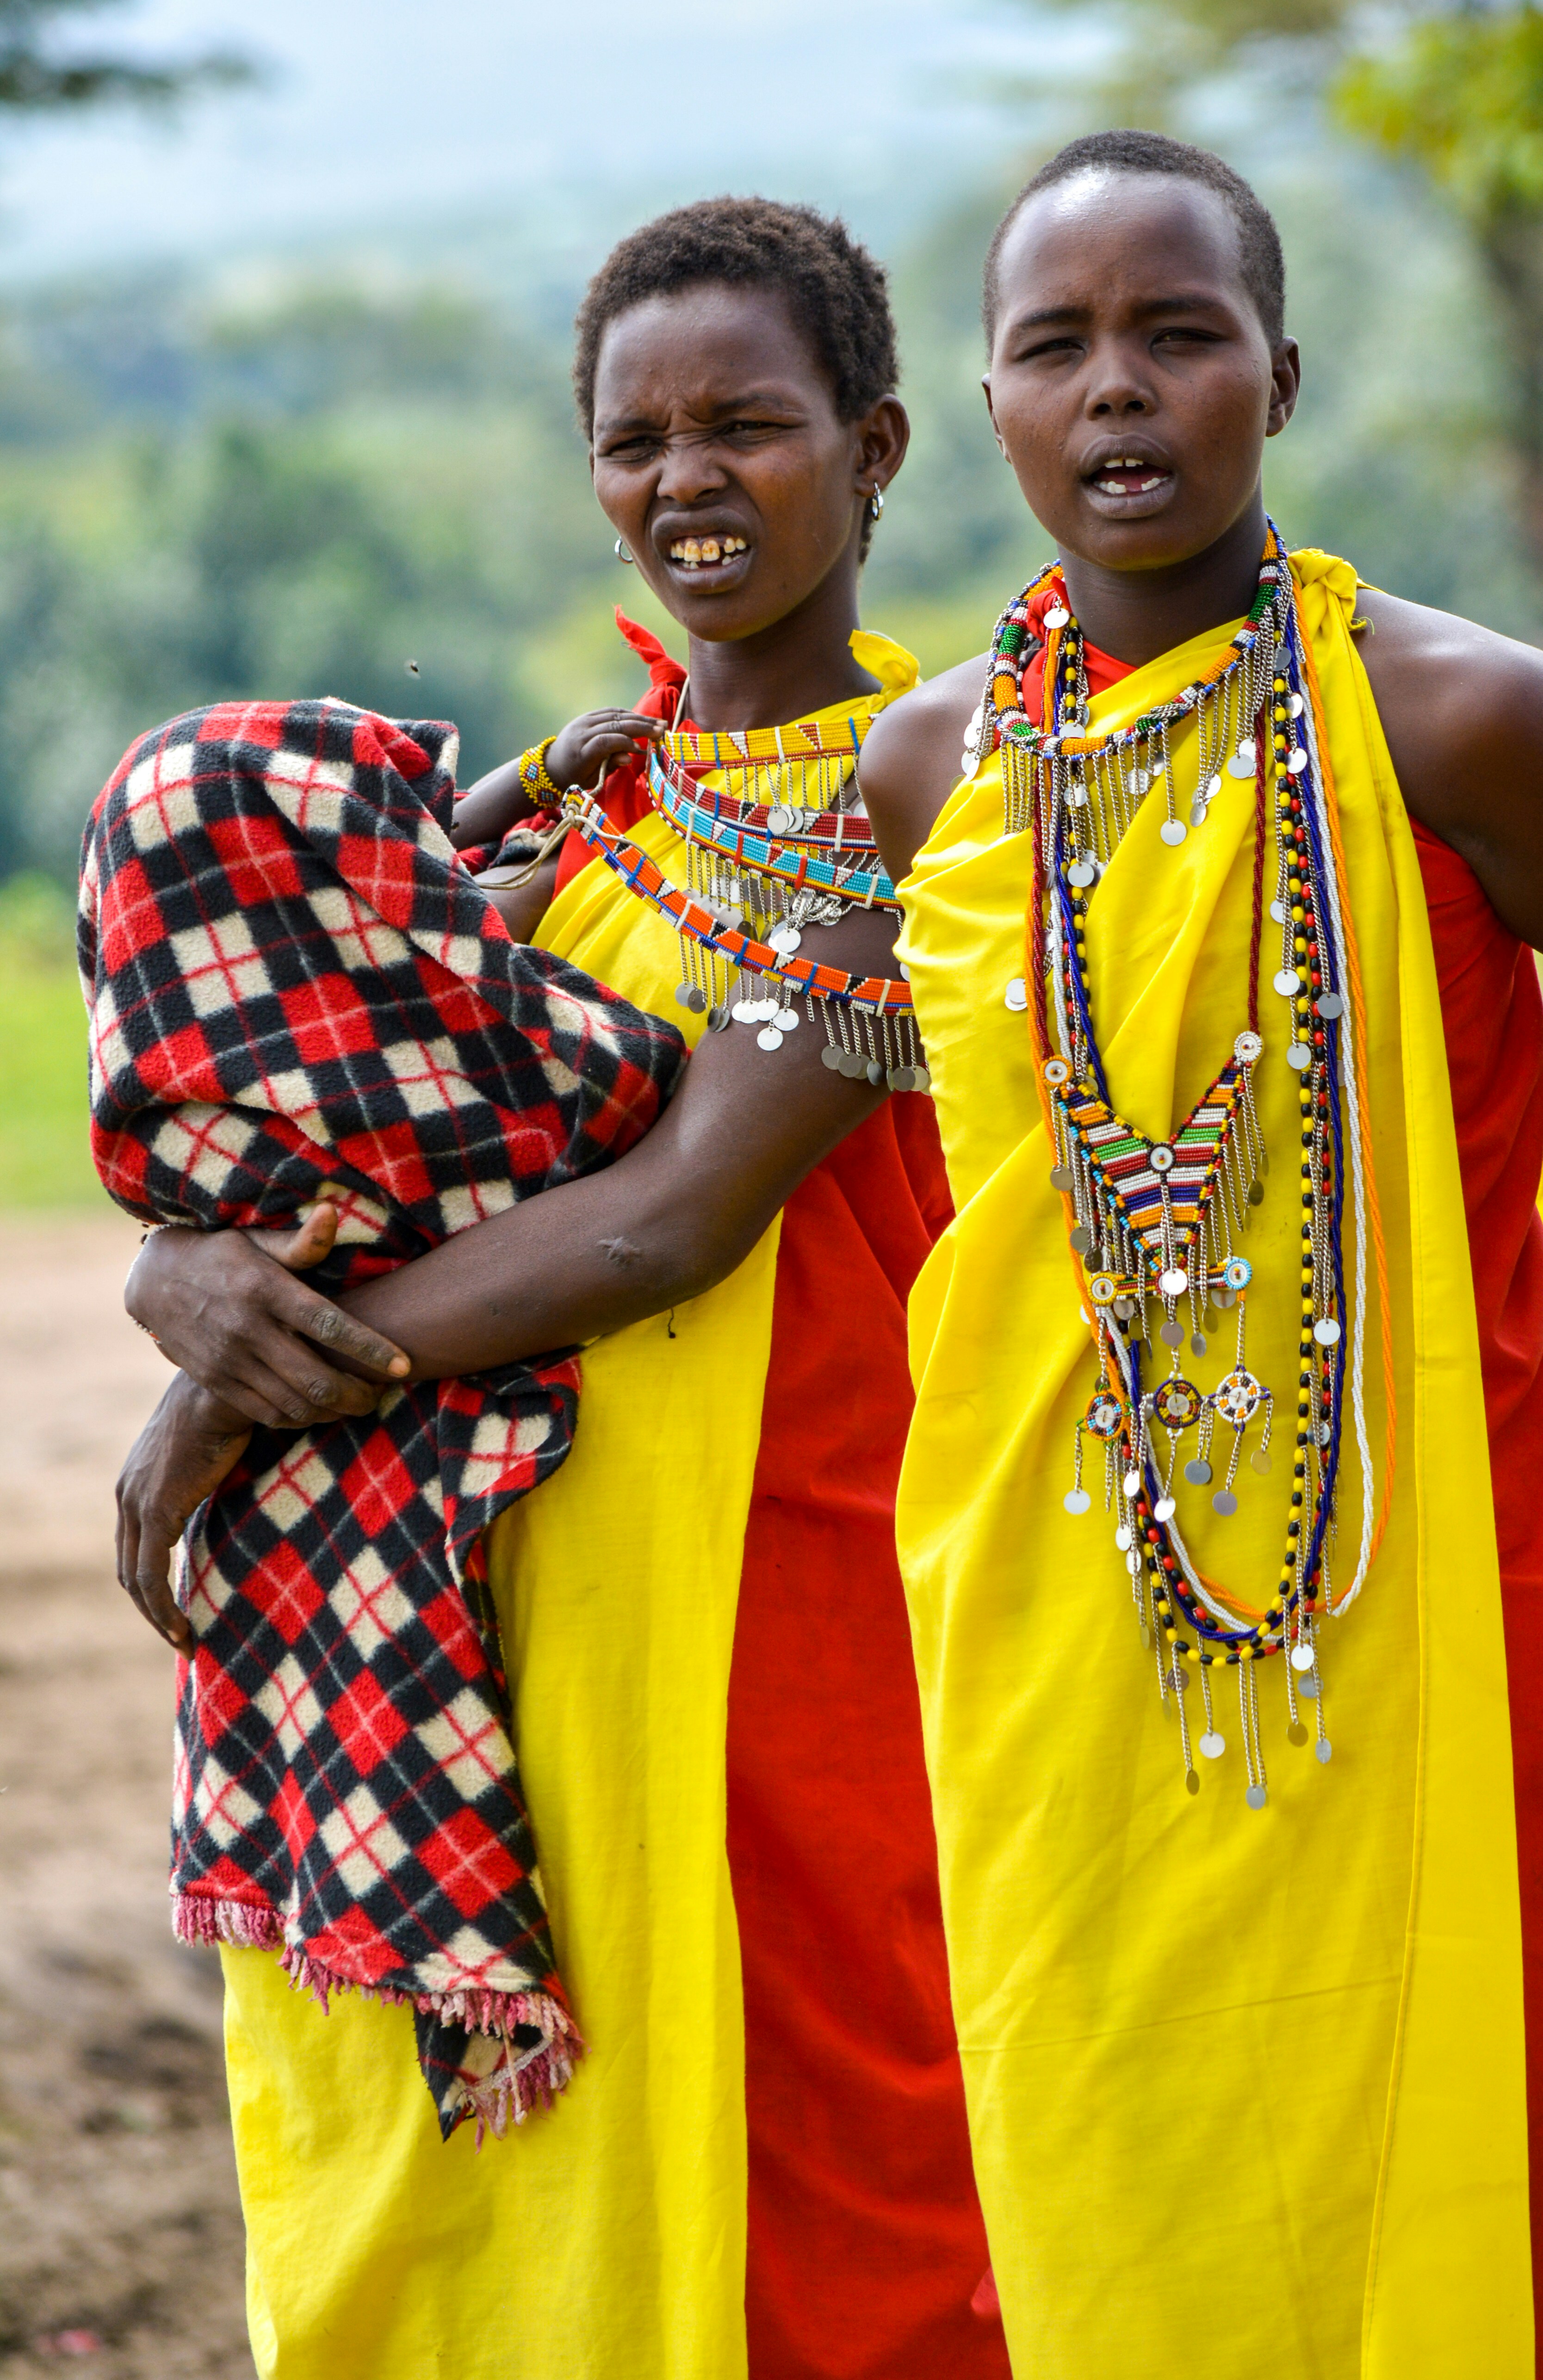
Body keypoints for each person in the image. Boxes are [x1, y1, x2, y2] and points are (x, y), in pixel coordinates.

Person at [116, 199, 1010, 2380]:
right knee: (529, 2190)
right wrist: (181, 1265)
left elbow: (670, 1224)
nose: (687, 480)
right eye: (639, 437)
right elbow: (299, 1108)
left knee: (844, 2175)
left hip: (804, 1606)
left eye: (751, 427)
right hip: (498, 1600)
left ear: (878, 447)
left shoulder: (932, 803)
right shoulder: (571, 803)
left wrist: (241, 1402)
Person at [857, 129, 1543, 2377]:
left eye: (1181, 335)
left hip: (1429, 1569)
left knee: (1436, 2123)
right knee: (1108, 2127)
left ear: (1283, 376)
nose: (1120, 393)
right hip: (1051, 1604)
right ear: (988, 409)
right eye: (1058, 347)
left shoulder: (1457, 717)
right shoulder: (932, 770)